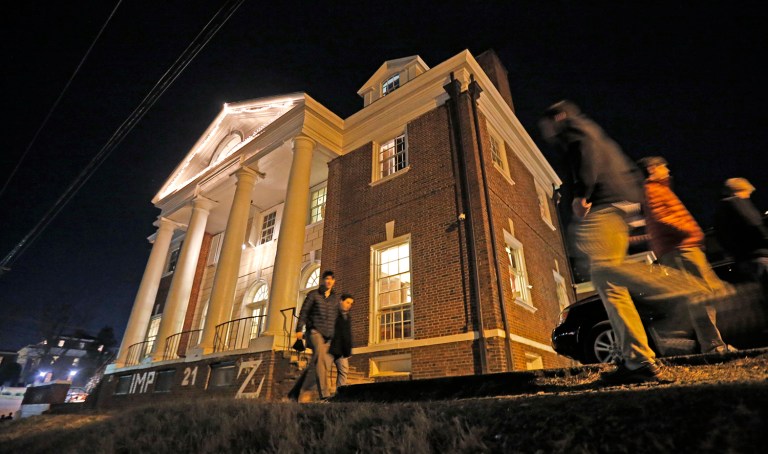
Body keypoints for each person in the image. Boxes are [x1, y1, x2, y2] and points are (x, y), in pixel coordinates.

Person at [539, 101, 716, 384]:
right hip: (619, 210)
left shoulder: (576, 129)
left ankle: (686, 287)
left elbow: (586, 151)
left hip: (603, 208)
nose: (547, 132)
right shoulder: (591, 130)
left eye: (547, 126)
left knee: (605, 271)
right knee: (612, 286)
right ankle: (637, 361)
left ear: (558, 117)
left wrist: (581, 194)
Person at [637, 156, 729, 353]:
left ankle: (703, 341)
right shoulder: (652, 189)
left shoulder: (660, 189)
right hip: (680, 248)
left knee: (707, 294)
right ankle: (708, 344)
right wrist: (691, 231)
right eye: (664, 167)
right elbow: (661, 218)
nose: (668, 170)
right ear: (653, 169)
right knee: (700, 296)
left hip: (685, 247)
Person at [714, 178, 768, 296]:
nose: (748, 196)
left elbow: (721, 238)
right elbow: (755, 226)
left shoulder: (720, 212)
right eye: (747, 193)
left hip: (742, 260)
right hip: (759, 256)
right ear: (739, 190)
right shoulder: (737, 202)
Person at [292, 270, 340, 400]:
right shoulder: (313, 295)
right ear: (323, 280)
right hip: (315, 332)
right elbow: (304, 312)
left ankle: (296, 392)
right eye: (326, 278)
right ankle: (325, 394)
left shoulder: (335, 299)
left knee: (322, 363)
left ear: (334, 281)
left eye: (331, 279)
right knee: (320, 360)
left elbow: (338, 317)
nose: (329, 281)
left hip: (329, 336)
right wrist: (299, 329)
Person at [330, 294, 354, 388]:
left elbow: (347, 335)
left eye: (351, 304)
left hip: (341, 351)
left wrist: (348, 351)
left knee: (344, 371)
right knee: (321, 371)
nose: (349, 305)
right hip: (329, 347)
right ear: (341, 301)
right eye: (347, 302)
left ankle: (339, 394)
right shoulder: (332, 312)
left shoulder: (348, 317)